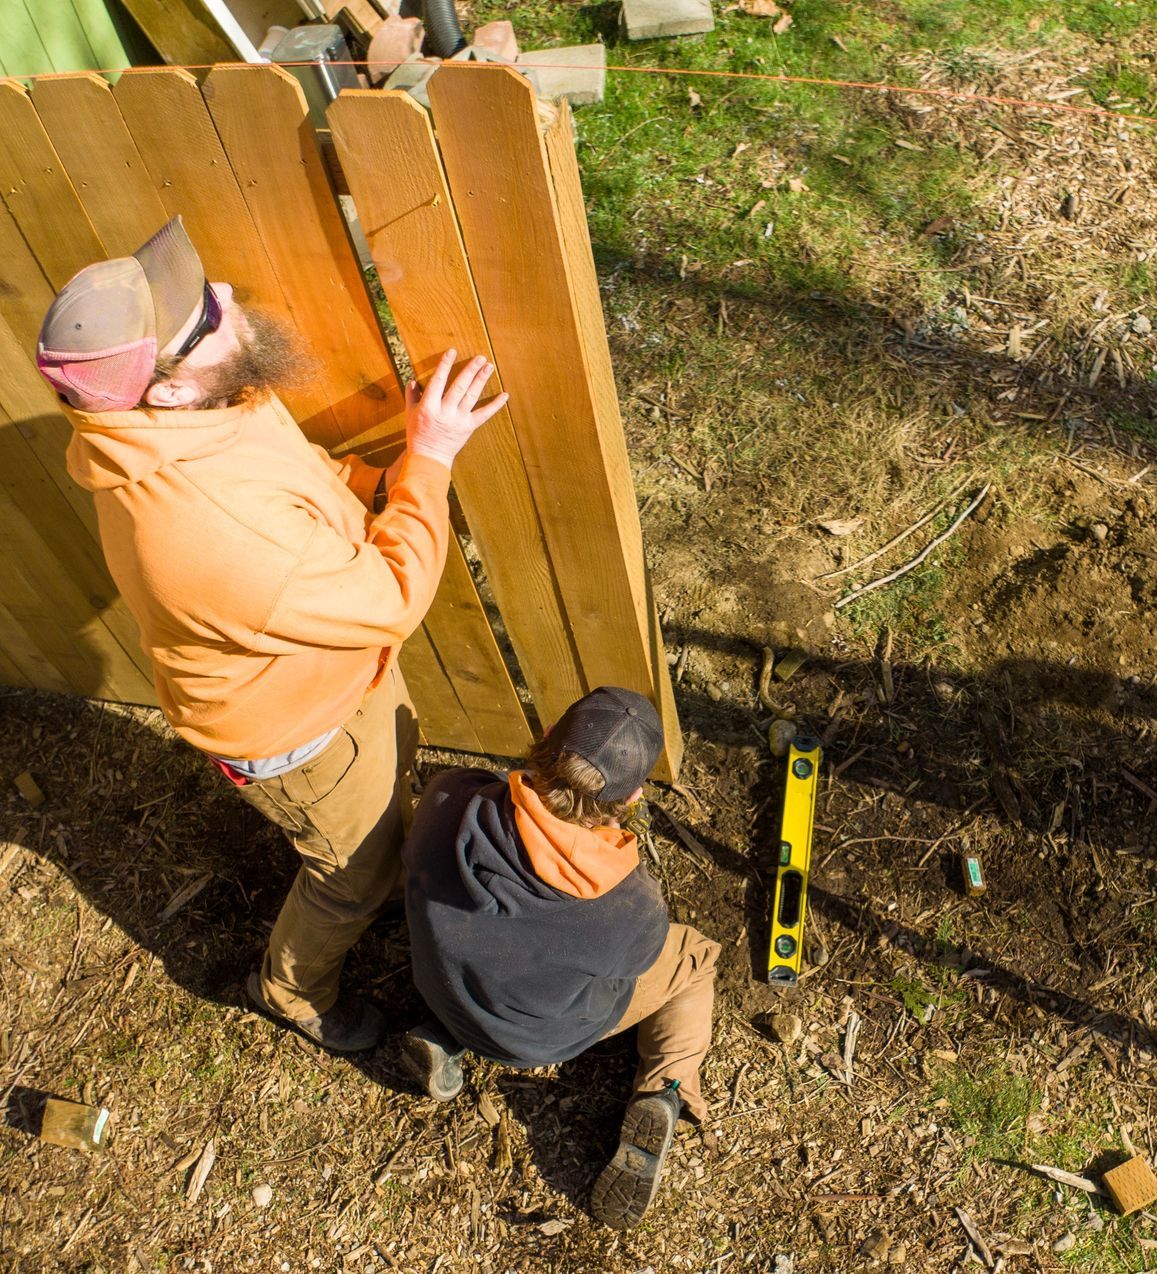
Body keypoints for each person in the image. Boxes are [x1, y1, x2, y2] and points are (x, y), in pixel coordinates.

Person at [37, 216, 507, 1052]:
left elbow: (298, 479)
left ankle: (380, 843)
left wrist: (376, 484)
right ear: (169, 387)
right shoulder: (210, 528)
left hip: (334, 678)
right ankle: (290, 992)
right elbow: (391, 596)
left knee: (382, 814)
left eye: (202, 291)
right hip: (297, 734)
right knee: (349, 877)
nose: (224, 297)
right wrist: (428, 461)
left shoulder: (195, 412)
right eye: (204, 319)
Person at [399, 687, 717, 1228]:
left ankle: (446, 1037)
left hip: (442, 986)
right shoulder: (629, 907)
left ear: (547, 738)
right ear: (633, 796)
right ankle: (666, 1090)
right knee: (697, 959)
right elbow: (634, 964)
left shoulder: (450, 797)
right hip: (538, 1039)